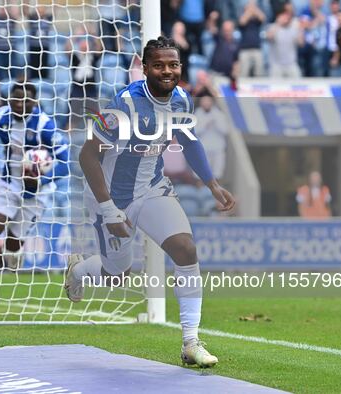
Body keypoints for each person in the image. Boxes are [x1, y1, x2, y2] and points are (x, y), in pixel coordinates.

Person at [65, 37, 235, 368]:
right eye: (158, 65)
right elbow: (87, 156)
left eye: (173, 65)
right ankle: (80, 270)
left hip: (152, 189)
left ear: (180, 67)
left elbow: (188, 140)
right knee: (117, 275)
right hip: (111, 196)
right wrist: (109, 209)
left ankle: (190, 342)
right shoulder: (122, 105)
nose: (167, 71)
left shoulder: (182, 99)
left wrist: (212, 184)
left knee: (186, 249)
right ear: (145, 68)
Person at [0, 82, 69, 304]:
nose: (20, 104)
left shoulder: (44, 125)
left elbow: (66, 164)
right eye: (16, 99)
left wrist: (42, 178)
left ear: (34, 102)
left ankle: (14, 256)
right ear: (9, 99)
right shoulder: (1, 116)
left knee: (12, 245)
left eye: (25, 101)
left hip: (37, 192)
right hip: (8, 184)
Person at [266, 6, 304, 78]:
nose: (286, 18)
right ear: (278, 16)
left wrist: (300, 29)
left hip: (291, 64)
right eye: (283, 15)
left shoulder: (294, 27)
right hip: (276, 65)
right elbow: (269, 37)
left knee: (298, 83)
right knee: (274, 86)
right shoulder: (273, 27)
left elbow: (301, 43)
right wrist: (278, 24)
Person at [238, 0, 266, 77]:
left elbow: (263, 18)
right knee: (243, 72)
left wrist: (254, 8)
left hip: (257, 48)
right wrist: (249, 10)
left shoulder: (256, 21)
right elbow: (242, 22)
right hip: (244, 49)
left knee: (259, 72)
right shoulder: (243, 17)